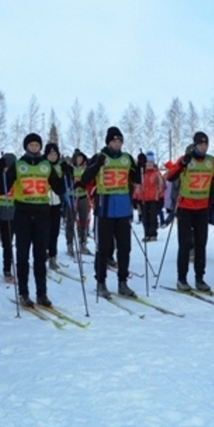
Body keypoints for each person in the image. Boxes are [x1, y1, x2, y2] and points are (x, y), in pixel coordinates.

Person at [0, 133, 64, 307]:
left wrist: (65, 175)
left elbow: (59, 188)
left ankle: (42, 293)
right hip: (23, 214)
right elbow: (2, 188)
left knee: (40, 256)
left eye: (36, 145)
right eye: (31, 145)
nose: (34, 148)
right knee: (22, 255)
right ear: (26, 147)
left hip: (42, 214)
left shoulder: (46, 165)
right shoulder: (19, 165)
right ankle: (24, 293)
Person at [164, 132, 214, 292]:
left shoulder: (211, 161)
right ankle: (182, 278)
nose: (203, 147)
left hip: (202, 208)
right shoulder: (186, 159)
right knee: (185, 244)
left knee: (201, 244)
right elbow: (170, 176)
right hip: (185, 208)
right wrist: (181, 164)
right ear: (194, 145)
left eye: (205, 144)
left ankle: (200, 278)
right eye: (200, 144)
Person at [80, 127, 141, 299]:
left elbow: (137, 179)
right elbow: (85, 179)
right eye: (114, 141)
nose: (117, 144)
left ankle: (123, 282)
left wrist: (140, 166)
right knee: (103, 248)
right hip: (104, 209)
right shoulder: (100, 157)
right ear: (108, 142)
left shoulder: (126, 158)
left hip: (123, 209)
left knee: (125, 248)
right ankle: (101, 282)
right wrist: (96, 165)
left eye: (120, 141)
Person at [64, 150, 93, 256]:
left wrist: (83, 184)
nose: (79, 160)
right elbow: (66, 181)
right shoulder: (70, 169)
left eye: (81, 158)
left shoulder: (86, 169)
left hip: (83, 197)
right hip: (72, 197)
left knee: (83, 221)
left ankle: (83, 243)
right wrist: (72, 184)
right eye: (77, 158)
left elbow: (89, 180)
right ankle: (70, 244)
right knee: (70, 221)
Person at [44, 143, 65, 271]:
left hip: (56, 203)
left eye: (55, 154)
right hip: (43, 203)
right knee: (44, 232)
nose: (53, 156)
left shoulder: (60, 167)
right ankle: (42, 255)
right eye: (50, 154)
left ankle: (53, 257)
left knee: (55, 232)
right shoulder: (43, 166)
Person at [139, 151, 165, 242]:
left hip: (154, 198)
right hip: (144, 198)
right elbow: (139, 186)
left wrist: (161, 197)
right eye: (148, 163)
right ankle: (146, 234)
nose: (149, 165)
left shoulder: (157, 173)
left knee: (153, 217)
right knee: (145, 217)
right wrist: (136, 197)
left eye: (151, 163)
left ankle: (153, 233)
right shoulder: (142, 174)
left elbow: (162, 186)